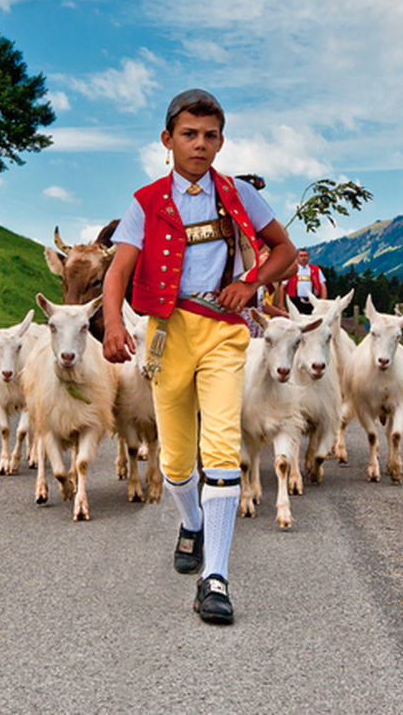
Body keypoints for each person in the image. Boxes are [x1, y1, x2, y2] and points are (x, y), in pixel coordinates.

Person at [102, 88, 298, 625]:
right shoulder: (145, 202)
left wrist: (250, 282)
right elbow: (118, 270)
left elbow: (282, 249)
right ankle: (190, 522)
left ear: (221, 141)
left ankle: (216, 577)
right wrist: (115, 322)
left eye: (210, 135)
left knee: (220, 449)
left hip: (224, 333)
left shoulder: (238, 195)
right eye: (189, 134)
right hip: (167, 332)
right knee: (174, 460)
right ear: (168, 140)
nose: (200, 144)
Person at [283, 248, 326, 314]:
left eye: (305, 256)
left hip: (312, 301)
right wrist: (282, 305)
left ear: (308, 257)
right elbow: (282, 287)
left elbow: (323, 286)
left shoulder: (316, 269)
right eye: (301, 256)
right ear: (297, 258)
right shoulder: (291, 269)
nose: (303, 258)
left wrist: (323, 302)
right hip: (295, 301)